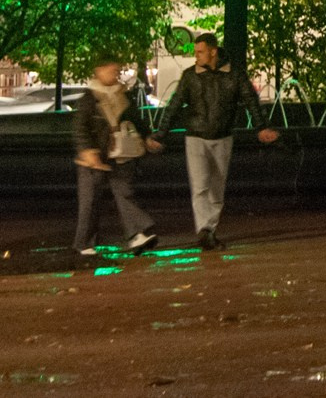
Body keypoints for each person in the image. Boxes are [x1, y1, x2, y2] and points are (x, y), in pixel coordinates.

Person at [155, 33, 279, 249]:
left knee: (216, 188)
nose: (196, 57)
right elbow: (174, 105)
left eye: (200, 52)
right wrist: (160, 133)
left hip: (222, 137)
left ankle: (208, 229)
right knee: (200, 186)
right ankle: (205, 229)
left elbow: (251, 100)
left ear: (213, 51)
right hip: (195, 136)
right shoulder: (190, 76)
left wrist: (262, 127)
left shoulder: (233, 74)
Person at [71, 56, 161, 258]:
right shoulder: (89, 99)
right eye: (111, 70)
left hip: (122, 153)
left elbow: (138, 121)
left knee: (125, 193)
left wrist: (148, 138)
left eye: (116, 71)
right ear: (99, 71)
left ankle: (136, 234)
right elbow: (80, 128)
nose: (115, 74)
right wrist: (87, 150)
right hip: (95, 157)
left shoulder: (124, 96)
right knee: (90, 201)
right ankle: (84, 243)